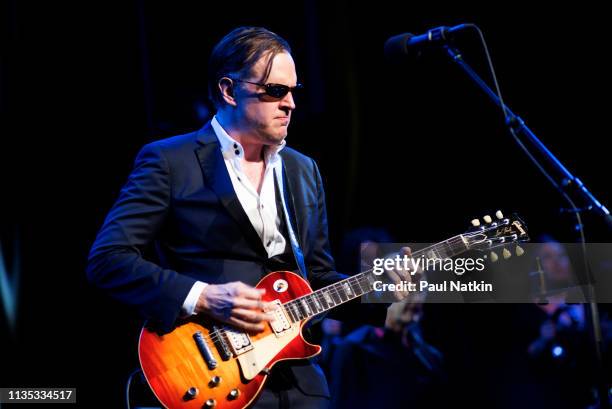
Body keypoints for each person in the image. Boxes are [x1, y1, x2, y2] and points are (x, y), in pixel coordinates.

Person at [86, 26, 407, 408]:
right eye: (276, 91)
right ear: (228, 90)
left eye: (293, 91)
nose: (290, 103)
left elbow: (318, 279)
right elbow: (108, 259)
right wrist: (205, 296)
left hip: (299, 381)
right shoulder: (171, 161)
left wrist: (378, 290)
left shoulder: (303, 170)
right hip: (210, 374)